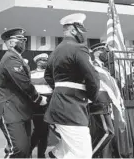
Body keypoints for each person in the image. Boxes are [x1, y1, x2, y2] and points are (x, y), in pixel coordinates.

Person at [44, 13, 100, 159]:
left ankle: (55, 154)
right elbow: (92, 77)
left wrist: (62, 89)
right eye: (81, 31)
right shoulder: (79, 48)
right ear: (74, 30)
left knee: (66, 148)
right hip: (72, 108)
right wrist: (91, 97)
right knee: (82, 154)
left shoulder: (56, 50)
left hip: (59, 105)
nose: (83, 35)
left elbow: (47, 76)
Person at [0, 28, 48, 158]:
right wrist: (39, 99)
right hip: (10, 110)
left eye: (24, 40)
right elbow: (23, 83)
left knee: (25, 150)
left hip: (21, 110)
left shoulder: (17, 58)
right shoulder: (10, 58)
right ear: (11, 43)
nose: (24, 42)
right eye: (21, 40)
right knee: (18, 149)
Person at [88, 42, 115, 158]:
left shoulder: (103, 68)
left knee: (102, 133)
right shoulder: (93, 66)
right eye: (105, 52)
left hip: (105, 102)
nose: (106, 54)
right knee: (108, 132)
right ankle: (90, 156)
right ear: (97, 52)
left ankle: (92, 155)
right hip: (98, 102)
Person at [30, 53, 52, 158]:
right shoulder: (30, 74)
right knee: (40, 129)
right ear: (38, 62)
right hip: (36, 103)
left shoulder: (51, 74)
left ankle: (40, 154)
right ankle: (29, 150)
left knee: (44, 131)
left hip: (49, 102)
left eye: (46, 60)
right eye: (43, 60)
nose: (45, 62)